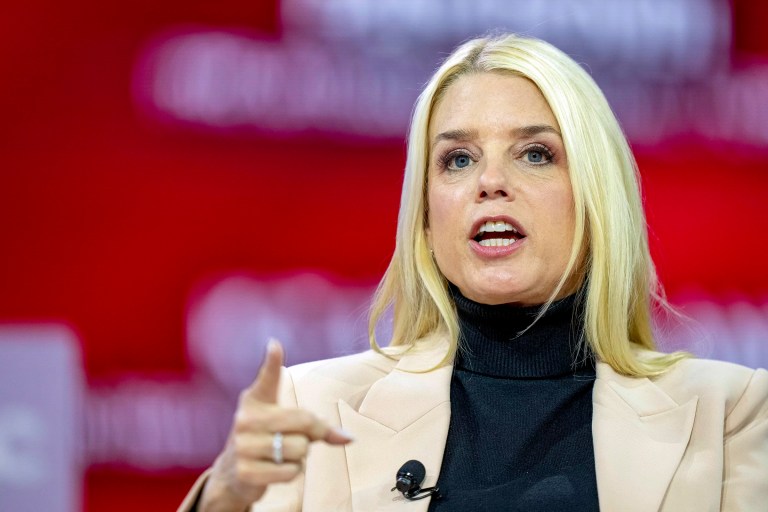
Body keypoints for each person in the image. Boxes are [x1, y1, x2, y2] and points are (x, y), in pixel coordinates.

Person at [179, 34, 768, 512]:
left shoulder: (729, 413)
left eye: (535, 153)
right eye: (458, 159)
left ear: (597, 201)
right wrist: (225, 499)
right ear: (428, 221)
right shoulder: (313, 409)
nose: (490, 182)